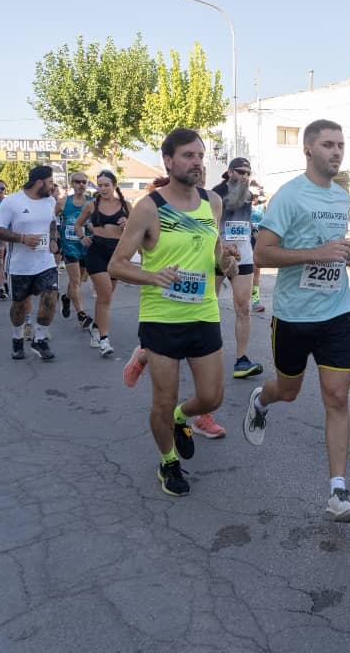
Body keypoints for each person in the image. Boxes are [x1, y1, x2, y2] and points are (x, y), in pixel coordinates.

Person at [243, 119, 350, 522]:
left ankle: (338, 491)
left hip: (336, 312)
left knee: (337, 398)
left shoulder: (341, 197)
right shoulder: (289, 196)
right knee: (288, 391)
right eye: (328, 144)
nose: (337, 152)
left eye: (341, 145)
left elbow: (334, 248)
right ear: (308, 150)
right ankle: (261, 400)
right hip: (294, 316)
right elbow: (262, 254)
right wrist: (317, 254)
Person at [109, 128, 239, 497]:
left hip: (203, 313)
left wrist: (225, 261)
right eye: (188, 155)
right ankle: (168, 461)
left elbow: (215, 256)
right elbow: (117, 264)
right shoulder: (149, 207)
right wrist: (152, 276)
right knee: (163, 401)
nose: (197, 162)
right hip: (162, 317)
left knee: (212, 397)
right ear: (168, 161)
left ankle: (183, 419)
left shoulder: (213, 202)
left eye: (200, 155)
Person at [0, 166, 60, 361]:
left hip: (45, 261)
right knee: (20, 306)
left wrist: (53, 239)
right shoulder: (12, 202)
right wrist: (22, 238)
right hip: (19, 265)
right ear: (39, 183)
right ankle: (17, 338)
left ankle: (40, 339)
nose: (52, 186)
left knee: (51, 296)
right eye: (50, 182)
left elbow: (52, 223)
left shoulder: (50, 201)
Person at [213, 158, 264, 379]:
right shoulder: (214, 194)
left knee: (243, 308)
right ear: (229, 172)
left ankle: (241, 360)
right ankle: (203, 352)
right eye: (241, 172)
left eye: (248, 173)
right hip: (216, 255)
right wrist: (222, 247)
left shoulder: (248, 196)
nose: (245, 176)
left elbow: (243, 222)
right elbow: (209, 225)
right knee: (208, 305)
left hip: (243, 256)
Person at [74, 170, 129, 358]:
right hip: (96, 252)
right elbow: (78, 224)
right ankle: (104, 340)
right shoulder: (91, 205)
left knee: (106, 297)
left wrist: (127, 224)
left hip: (116, 254)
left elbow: (137, 230)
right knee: (105, 294)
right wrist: (82, 237)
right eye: (100, 185)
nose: (103, 189)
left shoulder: (125, 206)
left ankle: (96, 328)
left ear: (114, 185)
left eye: (107, 185)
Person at [57, 173, 93, 329]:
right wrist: (54, 238)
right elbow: (51, 220)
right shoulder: (63, 202)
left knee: (77, 280)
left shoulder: (92, 202)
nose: (81, 185)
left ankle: (66, 297)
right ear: (72, 184)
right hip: (69, 247)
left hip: (85, 246)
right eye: (77, 182)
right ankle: (81, 314)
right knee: (75, 280)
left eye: (84, 182)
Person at [249, 189, 266, 312]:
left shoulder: (262, 207)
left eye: (255, 196)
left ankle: (255, 301)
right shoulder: (240, 204)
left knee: (256, 272)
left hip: (256, 240)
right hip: (243, 239)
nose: (254, 198)